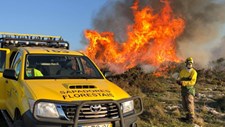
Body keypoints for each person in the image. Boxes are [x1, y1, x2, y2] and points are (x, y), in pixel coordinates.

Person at [177, 57, 197, 123]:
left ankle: (191, 119)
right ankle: (187, 117)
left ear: (192, 64)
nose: (189, 64)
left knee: (189, 104)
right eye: (188, 63)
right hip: (183, 90)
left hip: (189, 90)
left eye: (190, 63)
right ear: (186, 63)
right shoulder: (183, 71)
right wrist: (178, 81)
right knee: (184, 104)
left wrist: (183, 82)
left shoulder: (194, 72)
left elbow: (192, 82)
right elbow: (179, 77)